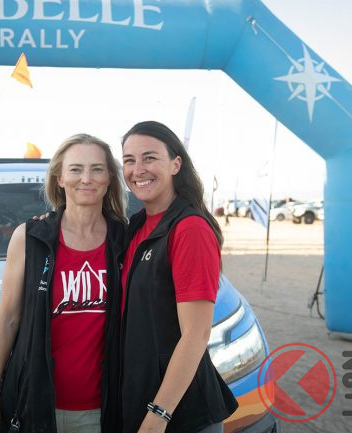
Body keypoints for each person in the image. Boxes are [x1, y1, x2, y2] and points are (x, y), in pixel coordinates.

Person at [0, 134, 126, 433]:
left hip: (106, 409)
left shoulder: (125, 239)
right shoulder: (30, 238)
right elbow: (7, 319)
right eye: (76, 169)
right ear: (59, 178)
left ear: (109, 178)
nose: (86, 178)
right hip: (37, 405)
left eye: (97, 169)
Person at [120, 121, 238, 433]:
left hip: (179, 414)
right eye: (129, 160)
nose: (138, 169)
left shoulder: (190, 228)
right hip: (142, 399)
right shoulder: (136, 227)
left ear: (175, 164)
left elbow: (196, 334)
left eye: (149, 158)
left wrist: (158, 415)